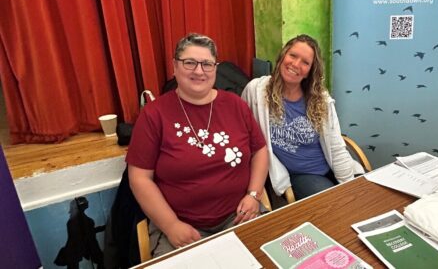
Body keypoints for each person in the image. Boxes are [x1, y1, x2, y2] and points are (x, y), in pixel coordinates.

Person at [126, 33, 269, 257]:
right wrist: (171, 225)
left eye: (207, 64)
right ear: (175, 66)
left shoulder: (235, 105)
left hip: (240, 215)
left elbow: (259, 150)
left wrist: (254, 194)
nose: (199, 71)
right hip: (182, 227)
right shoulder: (154, 115)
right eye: (190, 62)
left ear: (215, 68)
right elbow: (139, 179)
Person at [242, 34, 363, 200]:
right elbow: (244, 131)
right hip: (301, 175)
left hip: (330, 166)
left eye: (305, 62)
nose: (296, 64)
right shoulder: (256, 91)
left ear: (310, 71)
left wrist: (348, 185)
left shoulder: (320, 98)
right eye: (292, 56)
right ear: (282, 56)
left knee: (361, 196)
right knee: (332, 201)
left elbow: (335, 146)